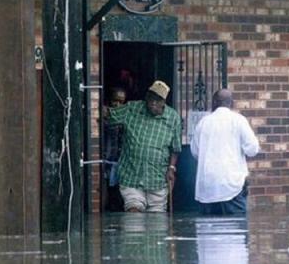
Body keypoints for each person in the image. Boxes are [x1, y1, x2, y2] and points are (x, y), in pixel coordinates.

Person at [106, 80, 181, 212]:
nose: (153, 103)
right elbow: (108, 115)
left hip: (157, 179)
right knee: (133, 213)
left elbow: (175, 148)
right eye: (151, 99)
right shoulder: (132, 109)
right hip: (131, 176)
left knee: (157, 221)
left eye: (158, 100)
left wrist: (171, 168)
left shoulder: (173, 118)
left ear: (164, 101)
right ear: (146, 97)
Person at [191, 89, 260, 215]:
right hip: (232, 186)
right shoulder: (239, 120)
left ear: (214, 103)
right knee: (236, 229)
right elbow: (252, 149)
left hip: (207, 187)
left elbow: (195, 152)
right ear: (231, 103)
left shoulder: (203, 123)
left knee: (208, 231)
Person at [103, 86, 127, 212]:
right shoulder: (104, 117)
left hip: (121, 162)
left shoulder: (126, 118)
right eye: (115, 101)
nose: (118, 105)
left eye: (121, 102)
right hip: (106, 161)